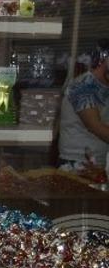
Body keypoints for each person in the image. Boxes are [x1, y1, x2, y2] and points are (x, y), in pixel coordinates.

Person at [57, 39, 109, 171]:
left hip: (98, 163)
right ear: (105, 59)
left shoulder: (105, 86)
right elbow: (95, 127)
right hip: (76, 165)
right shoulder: (83, 86)